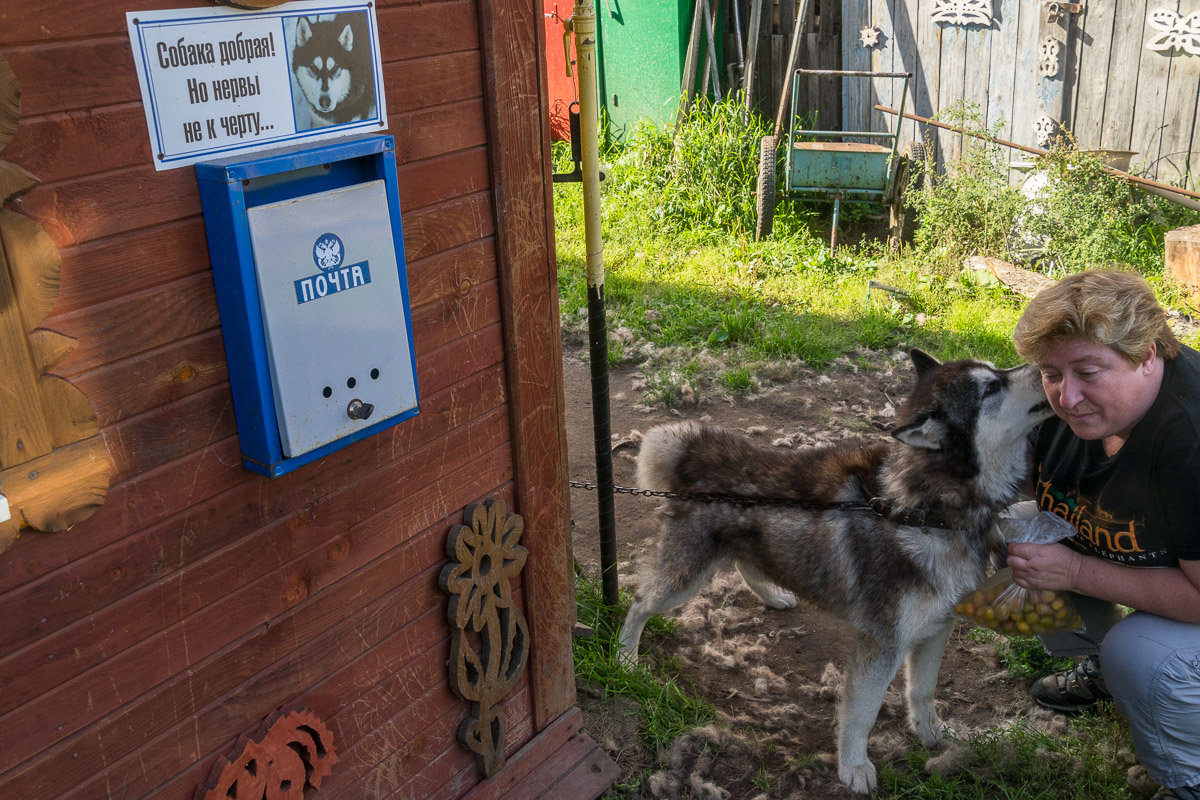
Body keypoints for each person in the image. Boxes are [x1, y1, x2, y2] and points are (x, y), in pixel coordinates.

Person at [1007, 269, 1200, 800]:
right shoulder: (1060, 403)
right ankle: (1101, 668)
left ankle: (1189, 779)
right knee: (1014, 527)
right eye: (1050, 373)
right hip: (1162, 559)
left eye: (1089, 372)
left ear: (1147, 355)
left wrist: (1073, 571)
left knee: (1143, 653)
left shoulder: (1189, 437)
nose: (1067, 398)